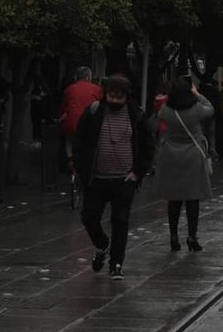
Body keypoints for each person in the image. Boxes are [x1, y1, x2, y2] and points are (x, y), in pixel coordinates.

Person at [74, 75, 155, 280]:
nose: (115, 101)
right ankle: (102, 245)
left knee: (120, 220)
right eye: (111, 96)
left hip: (124, 179)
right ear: (105, 94)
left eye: (120, 97)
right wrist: (82, 171)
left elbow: (147, 145)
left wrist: (137, 172)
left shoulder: (136, 114)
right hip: (96, 178)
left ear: (127, 96)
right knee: (89, 216)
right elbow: (79, 141)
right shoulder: (94, 112)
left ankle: (116, 263)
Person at [154, 75, 214, 252]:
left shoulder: (166, 109)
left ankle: (173, 236)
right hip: (192, 156)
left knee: (174, 198)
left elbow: (159, 117)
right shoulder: (196, 109)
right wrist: (197, 94)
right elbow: (210, 108)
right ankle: (191, 236)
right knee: (192, 198)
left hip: (171, 155)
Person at [61, 66, 102, 163]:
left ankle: (70, 162)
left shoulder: (69, 89)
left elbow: (63, 109)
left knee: (69, 139)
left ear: (76, 77)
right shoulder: (97, 89)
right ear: (89, 77)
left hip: (72, 125)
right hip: (90, 125)